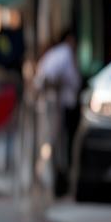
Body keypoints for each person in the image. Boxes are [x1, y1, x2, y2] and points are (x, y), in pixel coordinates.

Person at [34, 28, 82, 196]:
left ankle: (56, 181)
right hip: (58, 106)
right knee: (57, 144)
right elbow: (51, 79)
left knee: (56, 144)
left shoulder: (55, 54)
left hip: (56, 105)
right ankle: (56, 182)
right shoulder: (63, 53)